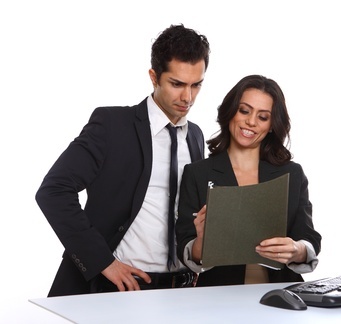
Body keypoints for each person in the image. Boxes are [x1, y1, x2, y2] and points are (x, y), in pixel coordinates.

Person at [35, 24, 211, 296]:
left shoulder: (195, 136)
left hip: (181, 290)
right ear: (154, 77)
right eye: (177, 84)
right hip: (119, 287)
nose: (187, 97)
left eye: (196, 85)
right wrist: (103, 262)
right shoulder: (112, 125)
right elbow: (54, 190)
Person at [176, 75, 322, 286]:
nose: (251, 122)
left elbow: (309, 238)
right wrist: (202, 241)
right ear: (230, 112)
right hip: (218, 296)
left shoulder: (292, 174)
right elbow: (186, 248)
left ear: (272, 125)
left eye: (263, 117)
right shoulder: (197, 173)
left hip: (280, 294)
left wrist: (295, 250)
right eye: (244, 111)